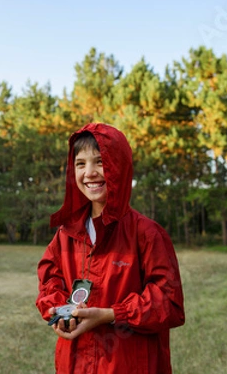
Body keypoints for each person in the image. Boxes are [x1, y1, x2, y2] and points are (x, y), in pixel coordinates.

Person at [36, 123, 185, 374]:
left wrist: (111, 314)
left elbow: (169, 304)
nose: (90, 172)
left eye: (100, 162)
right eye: (80, 164)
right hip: (75, 364)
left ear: (120, 167)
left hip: (129, 364)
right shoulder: (66, 233)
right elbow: (50, 280)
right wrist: (60, 311)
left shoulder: (147, 233)